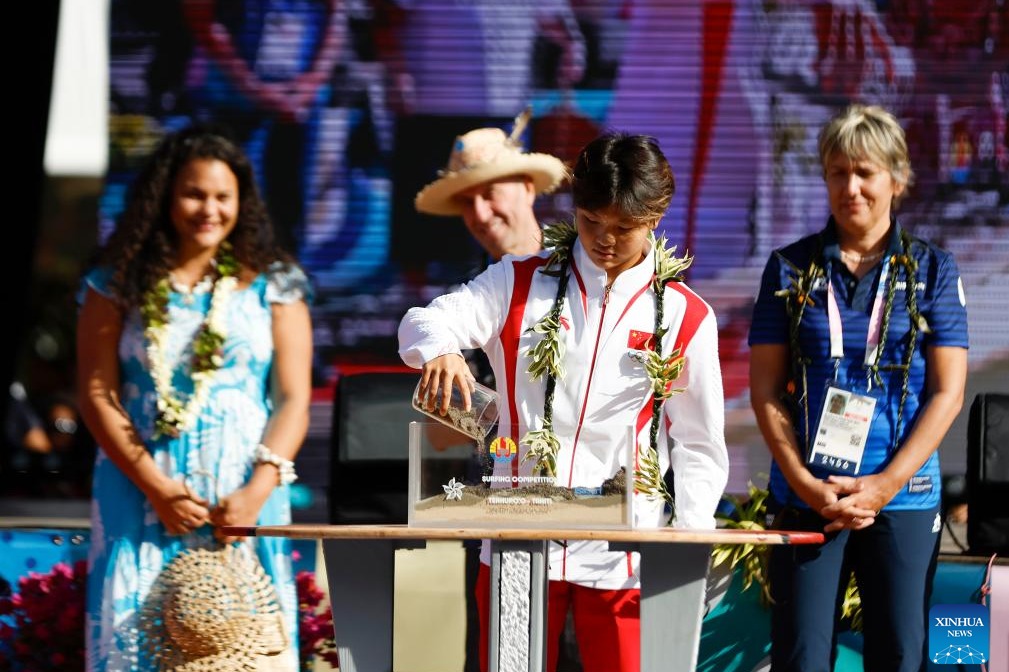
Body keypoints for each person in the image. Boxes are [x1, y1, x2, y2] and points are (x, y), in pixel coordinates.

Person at [399, 131, 729, 672]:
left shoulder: (687, 315)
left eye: (622, 228)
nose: (603, 239)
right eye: (591, 220)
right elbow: (425, 319)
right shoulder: (516, 280)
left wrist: (687, 544)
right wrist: (439, 350)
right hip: (517, 536)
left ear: (656, 215)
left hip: (628, 552)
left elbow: (698, 441)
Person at [76, 126, 313, 671]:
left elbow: (293, 398)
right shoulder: (115, 284)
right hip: (140, 490)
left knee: (244, 645)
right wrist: (156, 488)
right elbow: (95, 391)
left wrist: (257, 491)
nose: (209, 209)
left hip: (244, 495)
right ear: (164, 197)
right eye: (194, 193)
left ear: (241, 203)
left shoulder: (275, 284)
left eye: (222, 196)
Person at [748, 104, 969, 672]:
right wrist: (802, 480)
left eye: (865, 172)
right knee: (802, 658)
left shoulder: (932, 269)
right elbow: (766, 390)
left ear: (896, 179)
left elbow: (948, 390)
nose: (852, 187)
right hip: (809, 496)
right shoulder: (789, 269)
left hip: (904, 496)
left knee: (900, 655)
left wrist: (884, 485)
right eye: (838, 172)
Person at [413, 113, 570, 671]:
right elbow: (438, 438)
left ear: (528, 187)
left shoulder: (587, 270)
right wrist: (469, 407)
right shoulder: (463, 304)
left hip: (595, 522)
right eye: (466, 202)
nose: (480, 214)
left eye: (490, 193)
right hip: (496, 515)